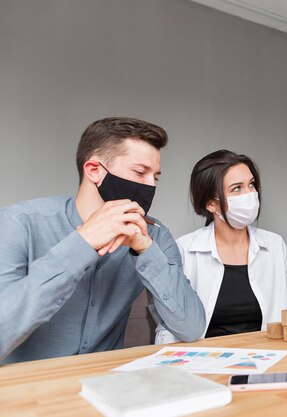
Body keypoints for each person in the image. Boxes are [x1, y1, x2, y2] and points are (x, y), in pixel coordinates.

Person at [0, 117, 206, 364]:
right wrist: (81, 243)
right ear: (94, 171)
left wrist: (145, 249)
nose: (151, 185)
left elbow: (191, 328)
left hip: (107, 386)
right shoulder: (17, 224)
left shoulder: (156, 235)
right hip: (27, 390)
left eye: (156, 177)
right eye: (140, 172)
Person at [156, 150, 287, 343]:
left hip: (264, 365)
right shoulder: (185, 250)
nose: (250, 194)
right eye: (237, 188)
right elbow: (171, 325)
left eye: (251, 184)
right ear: (211, 204)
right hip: (203, 367)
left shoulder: (274, 245)